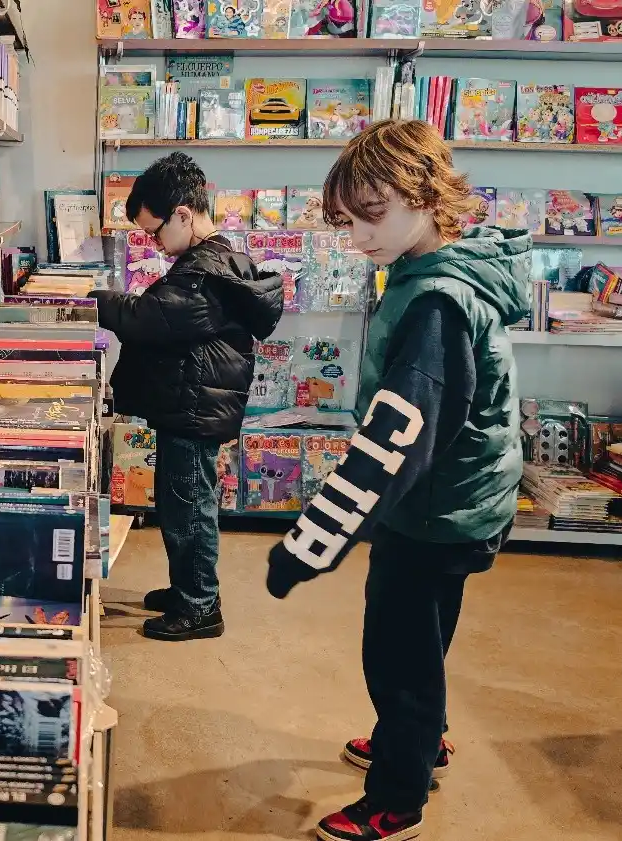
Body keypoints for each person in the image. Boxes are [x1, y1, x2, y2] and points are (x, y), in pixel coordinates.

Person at [264, 119, 531, 841]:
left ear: (425, 194)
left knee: (398, 654)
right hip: (465, 499)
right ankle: (422, 738)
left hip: (432, 511)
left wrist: (309, 543)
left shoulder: (435, 302)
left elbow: (394, 441)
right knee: (427, 632)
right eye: (347, 222)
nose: (358, 238)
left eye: (372, 216)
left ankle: (397, 795)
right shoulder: (448, 269)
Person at [90, 152, 283, 642]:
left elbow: (150, 317)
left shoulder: (205, 273)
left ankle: (200, 606)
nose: (154, 243)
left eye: (155, 232)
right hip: (191, 405)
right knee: (183, 506)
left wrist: (92, 300)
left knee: (190, 509)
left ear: (182, 214)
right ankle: (188, 590)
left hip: (195, 410)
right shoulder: (210, 262)